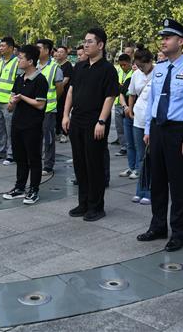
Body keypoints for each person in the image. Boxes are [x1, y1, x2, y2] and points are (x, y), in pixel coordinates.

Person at [137, 18, 183, 252]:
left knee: (179, 184)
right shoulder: (160, 68)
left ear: (181, 41)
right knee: (157, 181)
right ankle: (157, 226)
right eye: (162, 38)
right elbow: (153, 100)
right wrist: (148, 129)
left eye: (168, 38)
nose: (163, 41)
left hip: (178, 131)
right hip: (158, 129)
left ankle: (179, 232)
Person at [62, 28, 119, 222]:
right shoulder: (79, 66)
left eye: (90, 42)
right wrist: (66, 115)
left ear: (100, 45)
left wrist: (101, 121)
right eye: (84, 41)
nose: (85, 45)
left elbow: (110, 97)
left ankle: (96, 206)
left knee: (94, 164)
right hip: (77, 120)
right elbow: (71, 91)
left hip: (95, 123)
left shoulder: (108, 69)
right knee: (79, 163)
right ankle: (83, 203)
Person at [2, 45, 49, 204]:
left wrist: (22, 97)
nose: (18, 60)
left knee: (33, 158)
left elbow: (40, 104)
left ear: (30, 61)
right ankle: (19, 187)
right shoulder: (19, 78)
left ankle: (34, 190)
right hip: (17, 124)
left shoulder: (40, 80)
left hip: (32, 125)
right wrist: (12, 103)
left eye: (21, 58)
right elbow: (11, 103)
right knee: (20, 157)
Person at [126, 44, 155, 205]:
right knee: (141, 156)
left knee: (151, 157)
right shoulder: (136, 74)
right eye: (139, 66)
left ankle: (150, 191)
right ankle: (140, 190)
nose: (142, 69)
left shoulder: (159, 73)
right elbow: (132, 93)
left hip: (153, 121)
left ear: (150, 61)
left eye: (143, 66)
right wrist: (130, 110)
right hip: (138, 119)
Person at [0, 37, 19, 164]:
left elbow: (18, 83)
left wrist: (12, 100)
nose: (0, 48)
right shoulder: (0, 62)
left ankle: (11, 154)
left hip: (8, 102)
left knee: (10, 129)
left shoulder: (17, 62)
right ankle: (0, 151)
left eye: (3, 46)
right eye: (0, 46)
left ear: (11, 48)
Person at [36, 39, 63, 175]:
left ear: (47, 51)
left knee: (48, 138)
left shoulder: (55, 68)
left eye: (39, 48)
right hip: (34, 108)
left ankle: (48, 165)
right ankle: (36, 162)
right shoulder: (33, 65)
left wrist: (52, 101)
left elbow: (59, 88)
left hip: (48, 109)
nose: (36, 51)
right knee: (35, 137)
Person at [113, 54, 133, 155]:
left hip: (128, 103)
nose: (122, 67)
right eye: (121, 65)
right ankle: (123, 147)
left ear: (129, 62)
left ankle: (130, 146)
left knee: (128, 128)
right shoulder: (118, 71)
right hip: (118, 102)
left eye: (124, 65)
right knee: (119, 127)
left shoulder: (134, 72)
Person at [54, 45, 74, 143]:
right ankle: (57, 132)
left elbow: (65, 80)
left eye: (61, 52)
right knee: (57, 114)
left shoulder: (68, 65)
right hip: (56, 93)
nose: (59, 53)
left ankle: (65, 134)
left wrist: (57, 86)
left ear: (66, 54)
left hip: (64, 94)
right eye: (58, 51)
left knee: (63, 113)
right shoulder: (55, 65)